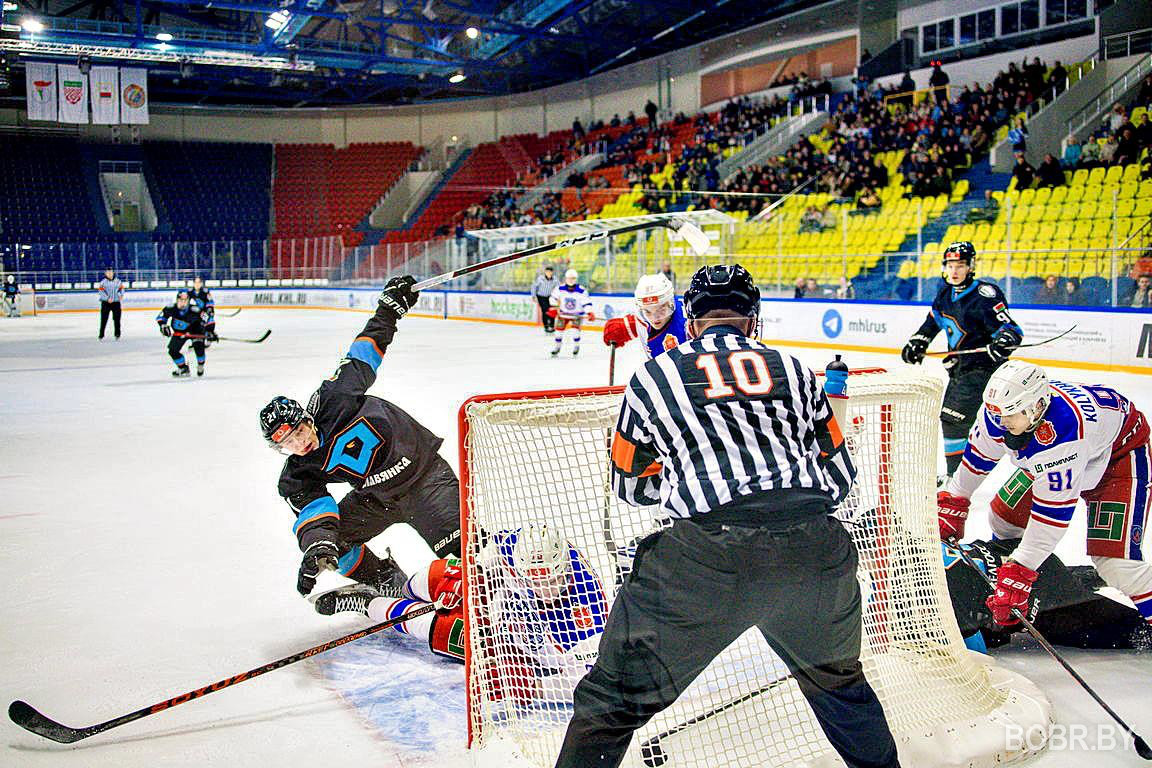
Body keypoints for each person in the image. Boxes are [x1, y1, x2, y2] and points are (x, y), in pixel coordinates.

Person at [555, 264, 900, 768]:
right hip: (814, 556)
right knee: (843, 691)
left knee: (610, 703)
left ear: (690, 322)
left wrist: (687, 479)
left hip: (706, 562)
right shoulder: (797, 370)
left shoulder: (654, 376)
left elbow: (631, 485)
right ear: (752, 322)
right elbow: (841, 475)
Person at [258, 277, 460, 601]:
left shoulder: (335, 397)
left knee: (464, 554)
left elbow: (364, 352)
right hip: (375, 498)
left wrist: (389, 310)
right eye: (287, 444)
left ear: (306, 419)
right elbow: (316, 512)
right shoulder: (297, 473)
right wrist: (317, 545)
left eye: (298, 432)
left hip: (425, 479)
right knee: (332, 546)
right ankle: (384, 579)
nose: (298, 444)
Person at [936, 361, 1152, 633]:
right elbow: (978, 457)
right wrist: (956, 499)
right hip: (1066, 453)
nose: (1001, 424)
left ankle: (1023, 577)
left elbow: (1052, 513)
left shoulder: (1063, 432)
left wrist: (1021, 569)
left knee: (1118, 566)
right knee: (1004, 517)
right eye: (998, 416)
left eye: (1010, 416)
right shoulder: (1003, 413)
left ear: (1037, 407)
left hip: (1117, 458)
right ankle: (1038, 581)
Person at [314, 525, 609, 705]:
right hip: (499, 604)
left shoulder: (590, 613)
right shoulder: (514, 545)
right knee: (436, 576)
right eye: (532, 579)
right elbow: (483, 560)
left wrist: (531, 686)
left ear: (564, 569)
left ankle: (366, 603)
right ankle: (396, 591)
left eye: (550, 581)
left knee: (441, 630)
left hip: (517, 651)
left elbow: (583, 684)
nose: (542, 588)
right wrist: (469, 581)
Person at [902, 241, 1023, 476]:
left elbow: (1012, 330)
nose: (954, 271)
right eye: (950, 265)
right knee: (976, 422)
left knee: (953, 419)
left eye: (960, 265)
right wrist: (918, 341)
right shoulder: (945, 293)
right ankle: (958, 474)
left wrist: (1004, 341)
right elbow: (932, 323)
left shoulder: (984, 295)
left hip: (984, 370)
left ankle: (954, 478)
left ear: (971, 266)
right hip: (959, 371)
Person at [942, 538, 1151, 653]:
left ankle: (1079, 583)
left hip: (1041, 597)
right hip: (1021, 558)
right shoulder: (921, 548)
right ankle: (1083, 577)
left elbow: (973, 654)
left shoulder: (938, 595)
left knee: (1130, 631)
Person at [601, 273, 687, 358]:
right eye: (647, 311)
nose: (654, 318)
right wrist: (620, 329)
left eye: (661, 310)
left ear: (670, 304)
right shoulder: (642, 318)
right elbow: (636, 322)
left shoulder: (688, 321)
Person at [156, 289, 216, 378]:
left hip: (196, 331)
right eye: (180, 300)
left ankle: (200, 365)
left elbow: (209, 319)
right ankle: (183, 368)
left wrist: (210, 331)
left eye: (185, 300)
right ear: (177, 300)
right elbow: (160, 317)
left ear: (188, 300)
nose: (183, 303)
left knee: (199, 349)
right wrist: (163, 326)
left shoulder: (195, 310)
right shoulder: (170, 308)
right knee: (173, 351)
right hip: (179, 332)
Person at [549, 269, 593, 357]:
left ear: (576, 279)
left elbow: (586, 302)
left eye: (573, 278)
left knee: (575, 331)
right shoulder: (559, 288)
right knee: (558, 332)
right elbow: (552, 298)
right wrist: (554, 307)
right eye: (569, 278)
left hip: (576, 315)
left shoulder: (581, 290)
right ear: (566, 279)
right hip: (563, 314)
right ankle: (557, 347)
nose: (571, 280)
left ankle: (576, 346)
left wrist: (589, 312)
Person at [97, 267, 124, 340]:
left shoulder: (118, 281)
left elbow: (121, 289)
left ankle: (117, 334)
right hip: (106, 303)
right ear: (106, 273)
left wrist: (121, 295)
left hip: (116, 303)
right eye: (108, 272)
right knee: (103, 319)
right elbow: (101, 292)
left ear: (113, 273)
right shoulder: (103, 282)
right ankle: (101, 334)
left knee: (117, 319)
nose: (109, 274)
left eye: (111, 272)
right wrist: (107, 298)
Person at [531, 265, 559, 333]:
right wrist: (533, 296)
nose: (548, 273)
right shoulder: (540, 278)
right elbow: (534, 287)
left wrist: (558, 297)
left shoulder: (555, 279)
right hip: (541, 296)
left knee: (552, 311)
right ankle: (546, 326)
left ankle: (551, 326)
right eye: (547, 272)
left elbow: (558, 288)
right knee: (545, 311)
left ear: (552, 272)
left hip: (550, 297)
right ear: (545, 272)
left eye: (550, 272)